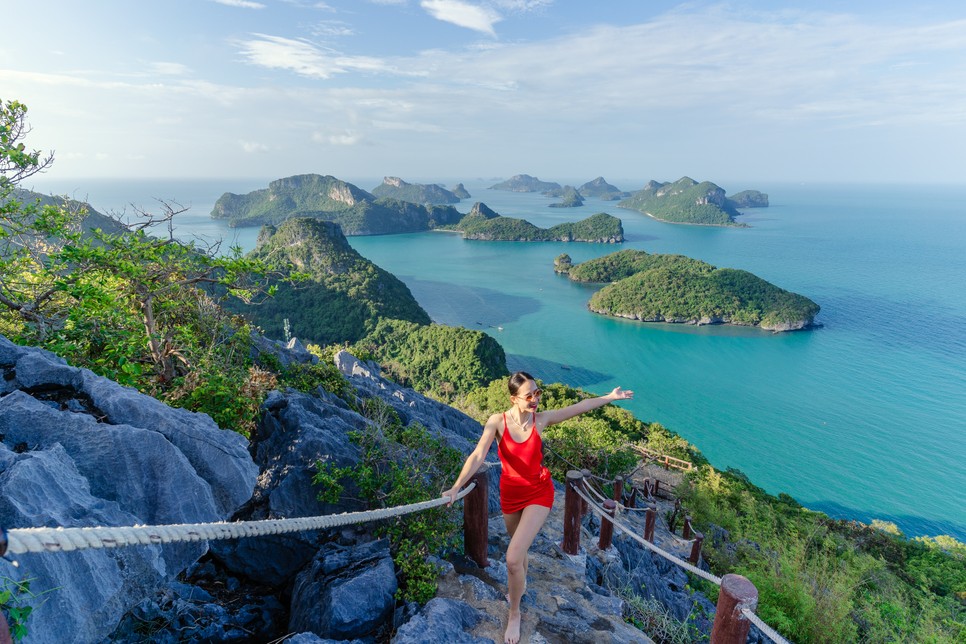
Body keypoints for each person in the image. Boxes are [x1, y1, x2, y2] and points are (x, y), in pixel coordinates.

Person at [443, 371, 634, 644]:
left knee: (511, 559)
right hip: (511, 495)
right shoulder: (497, 422)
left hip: (538, 493)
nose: (535, 399)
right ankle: (519, 587)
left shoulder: (540, 420)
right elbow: (477, 455)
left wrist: (610, 397)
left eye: (538, 393)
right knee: (518, 554)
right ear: (513, 398)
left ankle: (515, 612)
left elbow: (577, 408)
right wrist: (456, 487)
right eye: (529, 395)